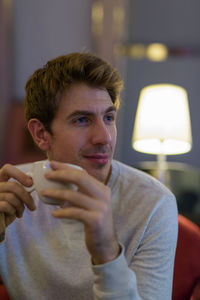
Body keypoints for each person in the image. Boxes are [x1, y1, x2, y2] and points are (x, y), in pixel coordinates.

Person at [0, 52, 178, 300]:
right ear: (41, 134)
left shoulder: (154, 204)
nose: (104, 137)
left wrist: (107, 254)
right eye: (82, 120)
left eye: (108, 118)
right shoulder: (10, 194)